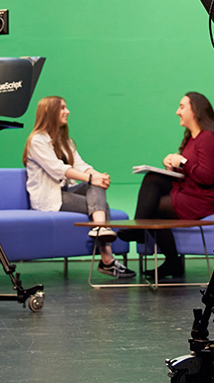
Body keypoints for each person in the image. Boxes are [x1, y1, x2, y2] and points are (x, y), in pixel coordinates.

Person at [120, 92, 214, 280]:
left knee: (154, 206)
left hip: (209, 199)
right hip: (195, 192)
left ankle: (163, 252)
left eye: (181, 107)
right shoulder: (192, 138)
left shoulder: (209, 138)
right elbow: (190, 172)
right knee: (152, 179)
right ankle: (161, 250)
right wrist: (173, 166)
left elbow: (207, 178)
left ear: (195, 110)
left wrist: (183, 162)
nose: (177, 112)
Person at [23, 96, 135, 278]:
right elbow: (58, 168)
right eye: (62, 108)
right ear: (49, 112)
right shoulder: (37, 140)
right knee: (101, 203)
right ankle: (107, 257)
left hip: (66, 190)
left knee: (95, 186)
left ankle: (99, 230)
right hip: (50, 197)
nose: (67, 112)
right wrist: (92, 178)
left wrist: (99, 176)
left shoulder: (65, 141)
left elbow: (80, 165)